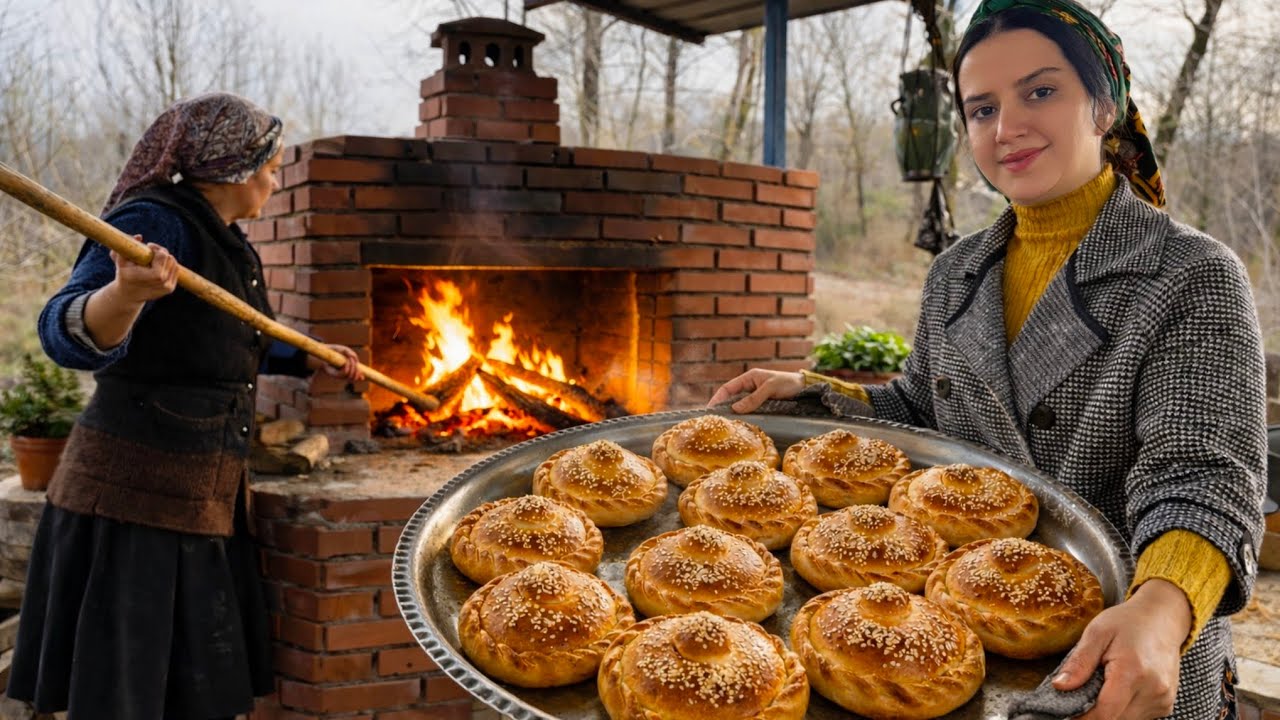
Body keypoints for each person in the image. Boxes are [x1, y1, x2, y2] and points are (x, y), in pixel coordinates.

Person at [709, 2, 1266, 718]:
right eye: (981, 108)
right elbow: (922, 417)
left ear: (1104, 105)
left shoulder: (1190, 274)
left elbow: (1204, 478)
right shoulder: (957, 271)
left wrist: (1162, 609)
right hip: (952, 645)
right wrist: (812, 389)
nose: (1006, 129)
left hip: (1126, 663)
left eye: (1040, 92)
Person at [6, 92, 363, 720]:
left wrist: (311, 356)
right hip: (135, 497)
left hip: (202, 491)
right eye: (273, 167)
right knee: (128, 690)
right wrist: (123, 293)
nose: (276, 182)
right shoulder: (157, 222)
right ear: (236, 170)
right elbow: (61, 333)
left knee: (174, 689)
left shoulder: (227, 238)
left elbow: (239, 338)